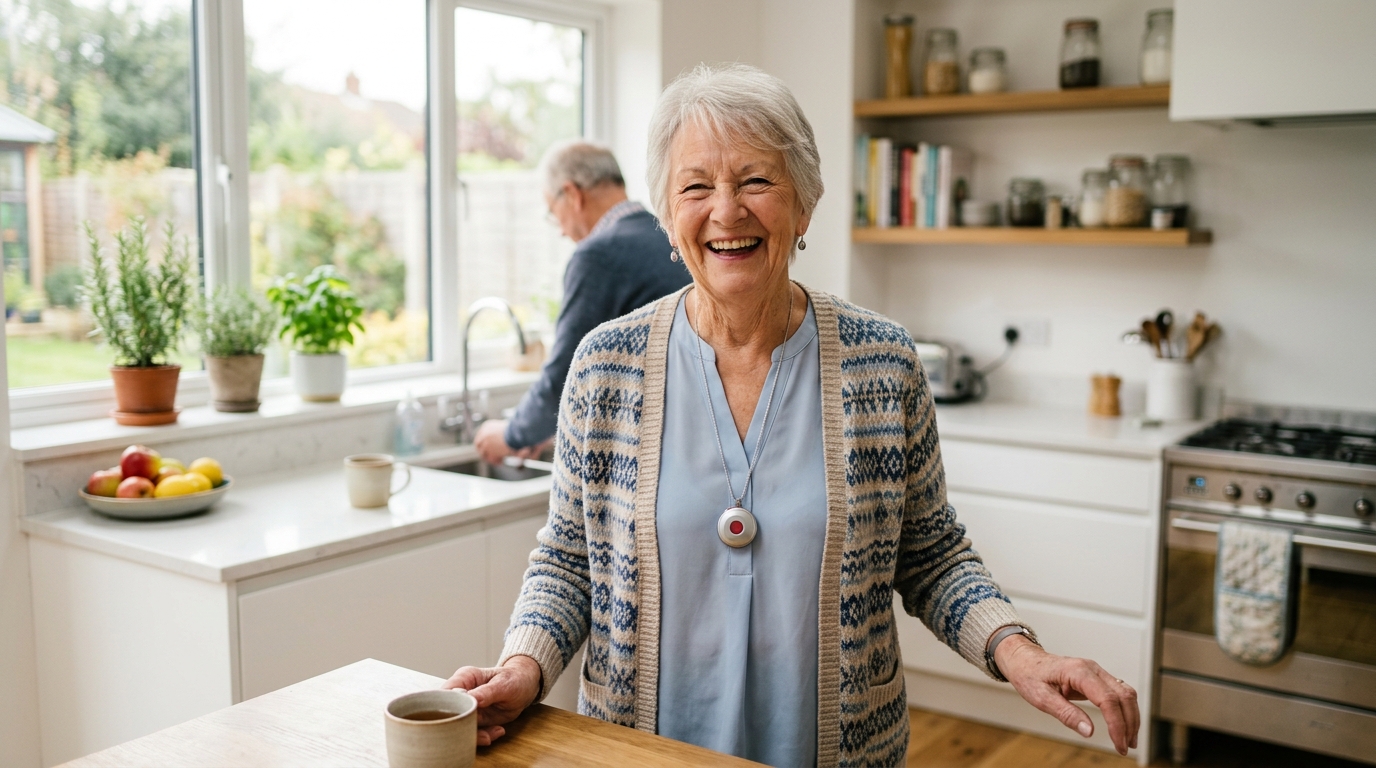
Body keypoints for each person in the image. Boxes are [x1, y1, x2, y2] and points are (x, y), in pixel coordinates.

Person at [446, 64, 1139, 767]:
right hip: (639, 752)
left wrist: (1016, 653)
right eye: (696, 186)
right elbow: (570, 560)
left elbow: (929, 552)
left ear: (804, 205)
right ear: (666, 213)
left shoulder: (884, 362)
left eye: (755, 181)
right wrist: (523, 667)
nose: (726, 211)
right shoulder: (606, 367)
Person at [472, 141, 691, 464]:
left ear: (572, 194)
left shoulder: (598, 255)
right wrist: (546, 429)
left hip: (645, 453)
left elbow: (565, 373)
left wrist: (511, 434)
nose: (560, 230)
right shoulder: (668, 236)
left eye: (552, 212)